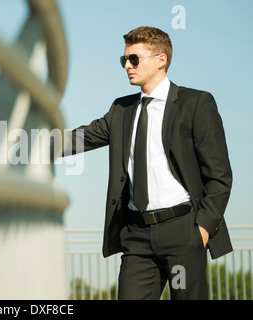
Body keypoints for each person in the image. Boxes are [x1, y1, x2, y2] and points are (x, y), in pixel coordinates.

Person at [61, 26, 232, 300]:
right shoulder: (121, 110)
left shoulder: (196, 104)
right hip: (137, 237)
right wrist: (20, 143)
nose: (127, 66)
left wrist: (201, 230)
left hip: (183, 232)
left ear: (161, 60)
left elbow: (220, 175)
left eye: (134, 59)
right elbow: (80, 138)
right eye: (124, 60)